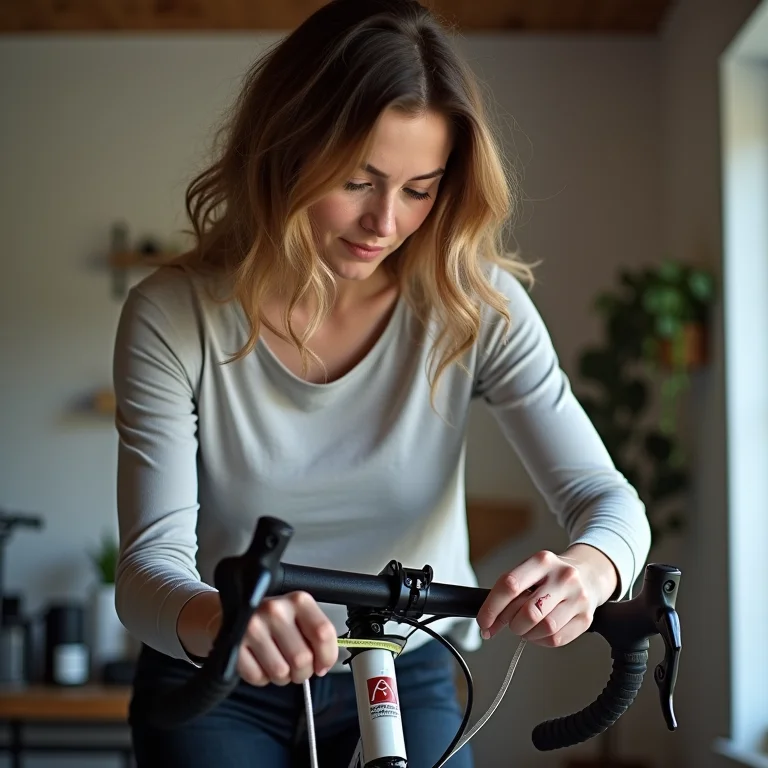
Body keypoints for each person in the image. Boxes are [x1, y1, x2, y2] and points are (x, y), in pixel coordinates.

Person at [113, 0, 651, 765]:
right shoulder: (172, 315)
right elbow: (145, 571)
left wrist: (590, 570)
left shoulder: (476, 303)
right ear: (286, 150)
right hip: (218, 675)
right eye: (359, 181)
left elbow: (609, 501)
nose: (385, 223)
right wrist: (223, 619)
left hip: (410, 667)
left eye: (420, 188)